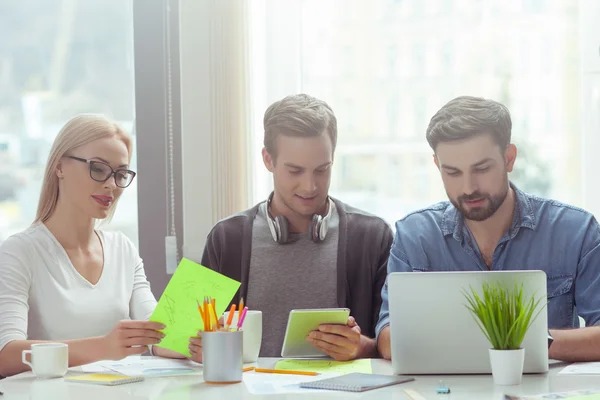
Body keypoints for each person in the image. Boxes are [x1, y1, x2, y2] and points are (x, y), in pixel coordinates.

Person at [376, 96, 600, 362]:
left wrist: (523, 340)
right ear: (437, 165)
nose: (468, 187)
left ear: (509, 158)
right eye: (453, 173)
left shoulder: (575, 230)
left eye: (481, 169)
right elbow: (388, 340)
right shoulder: (415, 235)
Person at [189, 94, 393, 361]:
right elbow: (176, 336)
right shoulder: (226, 237)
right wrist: (198, 348)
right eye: (295, 171)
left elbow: (396, 340)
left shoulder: (373, 236)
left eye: (322, 170)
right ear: (268, 160)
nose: (310, 186)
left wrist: (361, 347)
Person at [0, 115, 186, 377]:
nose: (111, 184)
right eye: (98, 169)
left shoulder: (122, 248)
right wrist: (104, 346)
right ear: (60, 166)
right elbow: (6, 355)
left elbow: (155, 332)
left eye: (120, 174)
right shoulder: (20, 251)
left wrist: (193, 341)